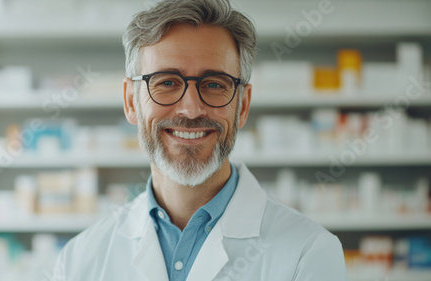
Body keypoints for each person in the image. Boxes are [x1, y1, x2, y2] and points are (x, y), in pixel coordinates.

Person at [53, 0, 348, 280]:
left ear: (242, 106)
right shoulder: (79, 260)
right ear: (131, 101)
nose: (192, 109)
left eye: (214, 84)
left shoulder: (308, 254)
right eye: (167, 82)